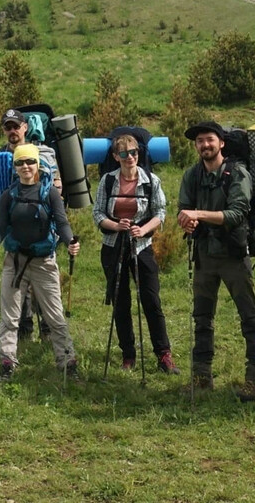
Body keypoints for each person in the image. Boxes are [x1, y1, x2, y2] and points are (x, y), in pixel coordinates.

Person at [177, 120, 255, 401]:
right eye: (200, 141)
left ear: (221, 143)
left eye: (210, 139)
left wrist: (198, 215)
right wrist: (187, 221)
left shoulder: (237, 173)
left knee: (248, 316)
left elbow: (237, 214)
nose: (205, 145)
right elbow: (184, 209)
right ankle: (201, 376)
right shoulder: (192, 175)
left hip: (233, 254)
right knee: (202, 317)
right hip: (204, 254)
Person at [0, 143, 82, 382]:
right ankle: (7, 364)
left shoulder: (50, 193)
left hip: (44, 262)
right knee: (10, 317)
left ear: (38, 164)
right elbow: (0, 228)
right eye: (20, 162)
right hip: (14, 262)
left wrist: (70, 242)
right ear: (15, 167)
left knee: (55, 316)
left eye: (30, 162)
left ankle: (67, 363)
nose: (25, 166)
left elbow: (62, 223)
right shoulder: (8, 195)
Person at [92, 133, 178, 375]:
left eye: (134, 153)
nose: (130, 157)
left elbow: (160, 212)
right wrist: (115, 225)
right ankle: (128, 354)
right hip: (113, 245)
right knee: (120, 302)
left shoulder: (151, 180)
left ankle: (163, 354)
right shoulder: (108, 181)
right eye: (124, 153)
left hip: (142, 246)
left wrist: (143, 229)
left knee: (151, 300)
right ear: (115, 156)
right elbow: (98, 213)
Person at [0, 108, 61, 340]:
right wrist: (5, 204)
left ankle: (48, 328)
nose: (12, 131)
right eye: (7, 127)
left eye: (16, 126)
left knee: (42, 276)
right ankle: (24, 328)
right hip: (13, 225)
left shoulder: (43, 153)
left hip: (41, 225)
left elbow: (57, 183)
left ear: (25, 127)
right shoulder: (0, 156)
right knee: (18, 276)